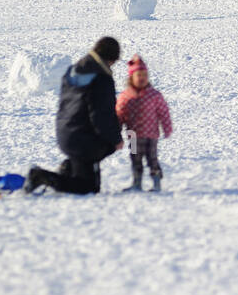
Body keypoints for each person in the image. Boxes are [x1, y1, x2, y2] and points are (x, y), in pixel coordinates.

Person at [25, 37, 123, 195]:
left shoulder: (73, 70)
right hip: (83, 141)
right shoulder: (101, 78)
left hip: (64, 133)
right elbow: (101, 117)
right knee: (88, 188)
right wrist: (116, 139)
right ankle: (41, 176)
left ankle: (69, 167)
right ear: (112, 58)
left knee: (88, 180)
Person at [115, 55, 173, 192]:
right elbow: (119, 115)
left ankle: (156, 181)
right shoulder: (125, 96)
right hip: (133, 136)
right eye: (138, 75)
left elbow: (163, 112)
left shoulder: (154, 95)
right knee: (135, 158)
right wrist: (116, 133)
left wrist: (167, 127)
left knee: (152, 158)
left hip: (151, 135)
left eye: (145, 75)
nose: (142, 78)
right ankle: (137, 182)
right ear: (131, 78)